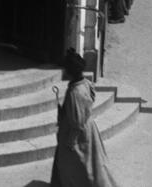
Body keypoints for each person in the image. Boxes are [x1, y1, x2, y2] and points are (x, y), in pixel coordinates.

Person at [50, 49, 120, 187]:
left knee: (76, 166)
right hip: (88, 130)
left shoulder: (75, 93)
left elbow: (77, 122)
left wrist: (70, 142)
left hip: (77, 134)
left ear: (70, 71)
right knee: (92, 164)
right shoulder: (85, 83)